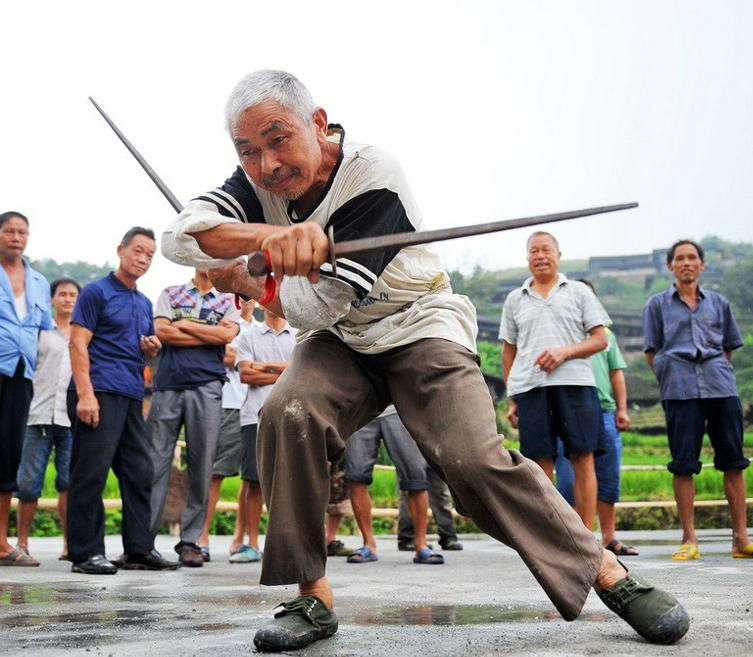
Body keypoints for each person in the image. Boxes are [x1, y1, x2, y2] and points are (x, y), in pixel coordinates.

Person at [162, 69, 689, 650]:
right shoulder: (255, 182)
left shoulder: (374, 176)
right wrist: (267, 238)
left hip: (418, 322)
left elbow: (320, 302)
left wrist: (260, 277)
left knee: (469, 456)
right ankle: (312, 597)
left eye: (277, 139)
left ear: (318, 123)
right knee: (288, 412)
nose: (267, 165)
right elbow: (181, 236)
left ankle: (604, 569)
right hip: (342, 340)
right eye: (248, 150)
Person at [67, 227, 179, 574]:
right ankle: (85, 553)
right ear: (121, 250)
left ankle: (139, 549)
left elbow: (135, 352)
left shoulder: (143, 302)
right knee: (91, 472)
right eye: (138, 251)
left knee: (139, 471)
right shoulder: (96, 292)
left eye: (149, 255)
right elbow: (77, 344)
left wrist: (150, 351)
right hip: (97, 391)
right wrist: (85, 394)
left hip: (130, 393)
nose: (143, 259)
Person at [643, 239, 752, 561]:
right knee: (684, 464)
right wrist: (670, 371)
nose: (686, 262)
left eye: (693, 257)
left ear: (702, 265)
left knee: (733, 462)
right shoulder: (657, 304)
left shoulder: (719, 302)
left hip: (721, 388)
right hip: (679, 390)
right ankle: (689, 539)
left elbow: (729, 347)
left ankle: (740, 539)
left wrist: (715, 368)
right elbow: (652, 351)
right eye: (680, 258)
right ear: (670, 266)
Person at [500, 232, 608, 533]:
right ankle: (552, 537)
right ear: (527, 259)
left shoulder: (578, 292)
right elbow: (508, 351)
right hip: (531, 388)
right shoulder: (514, 299)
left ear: (559, 255)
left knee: (583, 457)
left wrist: (565, 351)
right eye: (534, 251)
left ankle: (586, 535)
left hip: (577, 384)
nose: (540, 255)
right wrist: (512, 398)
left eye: (547, 249)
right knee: (539, 462)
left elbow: (600, 340)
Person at [147, 268, 239, 567]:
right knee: (154, 465)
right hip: (168, 386)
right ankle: (142, 541)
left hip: (208, 386)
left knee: (202, 466)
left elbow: (227, 335)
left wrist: (183, 324)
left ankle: (190, 542)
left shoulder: (228, 301)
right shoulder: (170, 293)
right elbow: (163, 332)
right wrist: (209, 333)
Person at [554, 279, 637, 556]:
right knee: (568, 478)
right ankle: (579, 538)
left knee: (608, 476)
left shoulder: (607, 336)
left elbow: (616, 373)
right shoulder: (561, 334)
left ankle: (609, 537)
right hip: (572, 411)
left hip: (604, 410)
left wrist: (621, 409)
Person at [15, 278, 81, 562]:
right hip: (38, 415)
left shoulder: (83, 335)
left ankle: (69, 545)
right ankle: (22, 542)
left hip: (71, 419)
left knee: (68, 483)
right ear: (52, 300)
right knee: (29, 484)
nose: (68, 299)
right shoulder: (41, 333)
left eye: (73, 295)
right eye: (62, 294)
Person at [0, 210, 52, 567]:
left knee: (7, 455)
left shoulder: (39, 282)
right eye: (9, 231)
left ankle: (1, 542)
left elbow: (45, 330)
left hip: (21, 374)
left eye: (22, 232)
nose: (16, 237)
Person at [232, 305, 296, 563]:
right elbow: (246, 374)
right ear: (261, 304)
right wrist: (285, 372)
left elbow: (301, 370)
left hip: (291, 415)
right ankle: (252, 543)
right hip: (254, 416)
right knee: (253, 480)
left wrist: (266, 366)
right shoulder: (249, 336)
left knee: (291, 480)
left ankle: (288, 544)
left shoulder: (300, 335)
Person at [344, 408, 443, 565]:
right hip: (361, 409)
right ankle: (368, 544)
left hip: (399, 409)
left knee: (416, 479)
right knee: (356, 477)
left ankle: (421, 545)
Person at [197, 297, 255, 562]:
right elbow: (221, 356)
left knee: (251, 478)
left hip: (255, 407)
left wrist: (240, 358)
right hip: (228, 404)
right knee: (215, 473)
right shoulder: (225, 323)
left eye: (251, 293)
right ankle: (202, 535)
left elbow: (238, 359)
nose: (247, 299)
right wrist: (246, 360)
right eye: (240, 294)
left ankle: (240, 538)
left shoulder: (261, 328)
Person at [396, 465, 462, 552]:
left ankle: (448, 536)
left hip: (434, 453)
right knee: (409, 491)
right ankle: (407, 538)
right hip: (410, 453)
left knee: (441, 492)